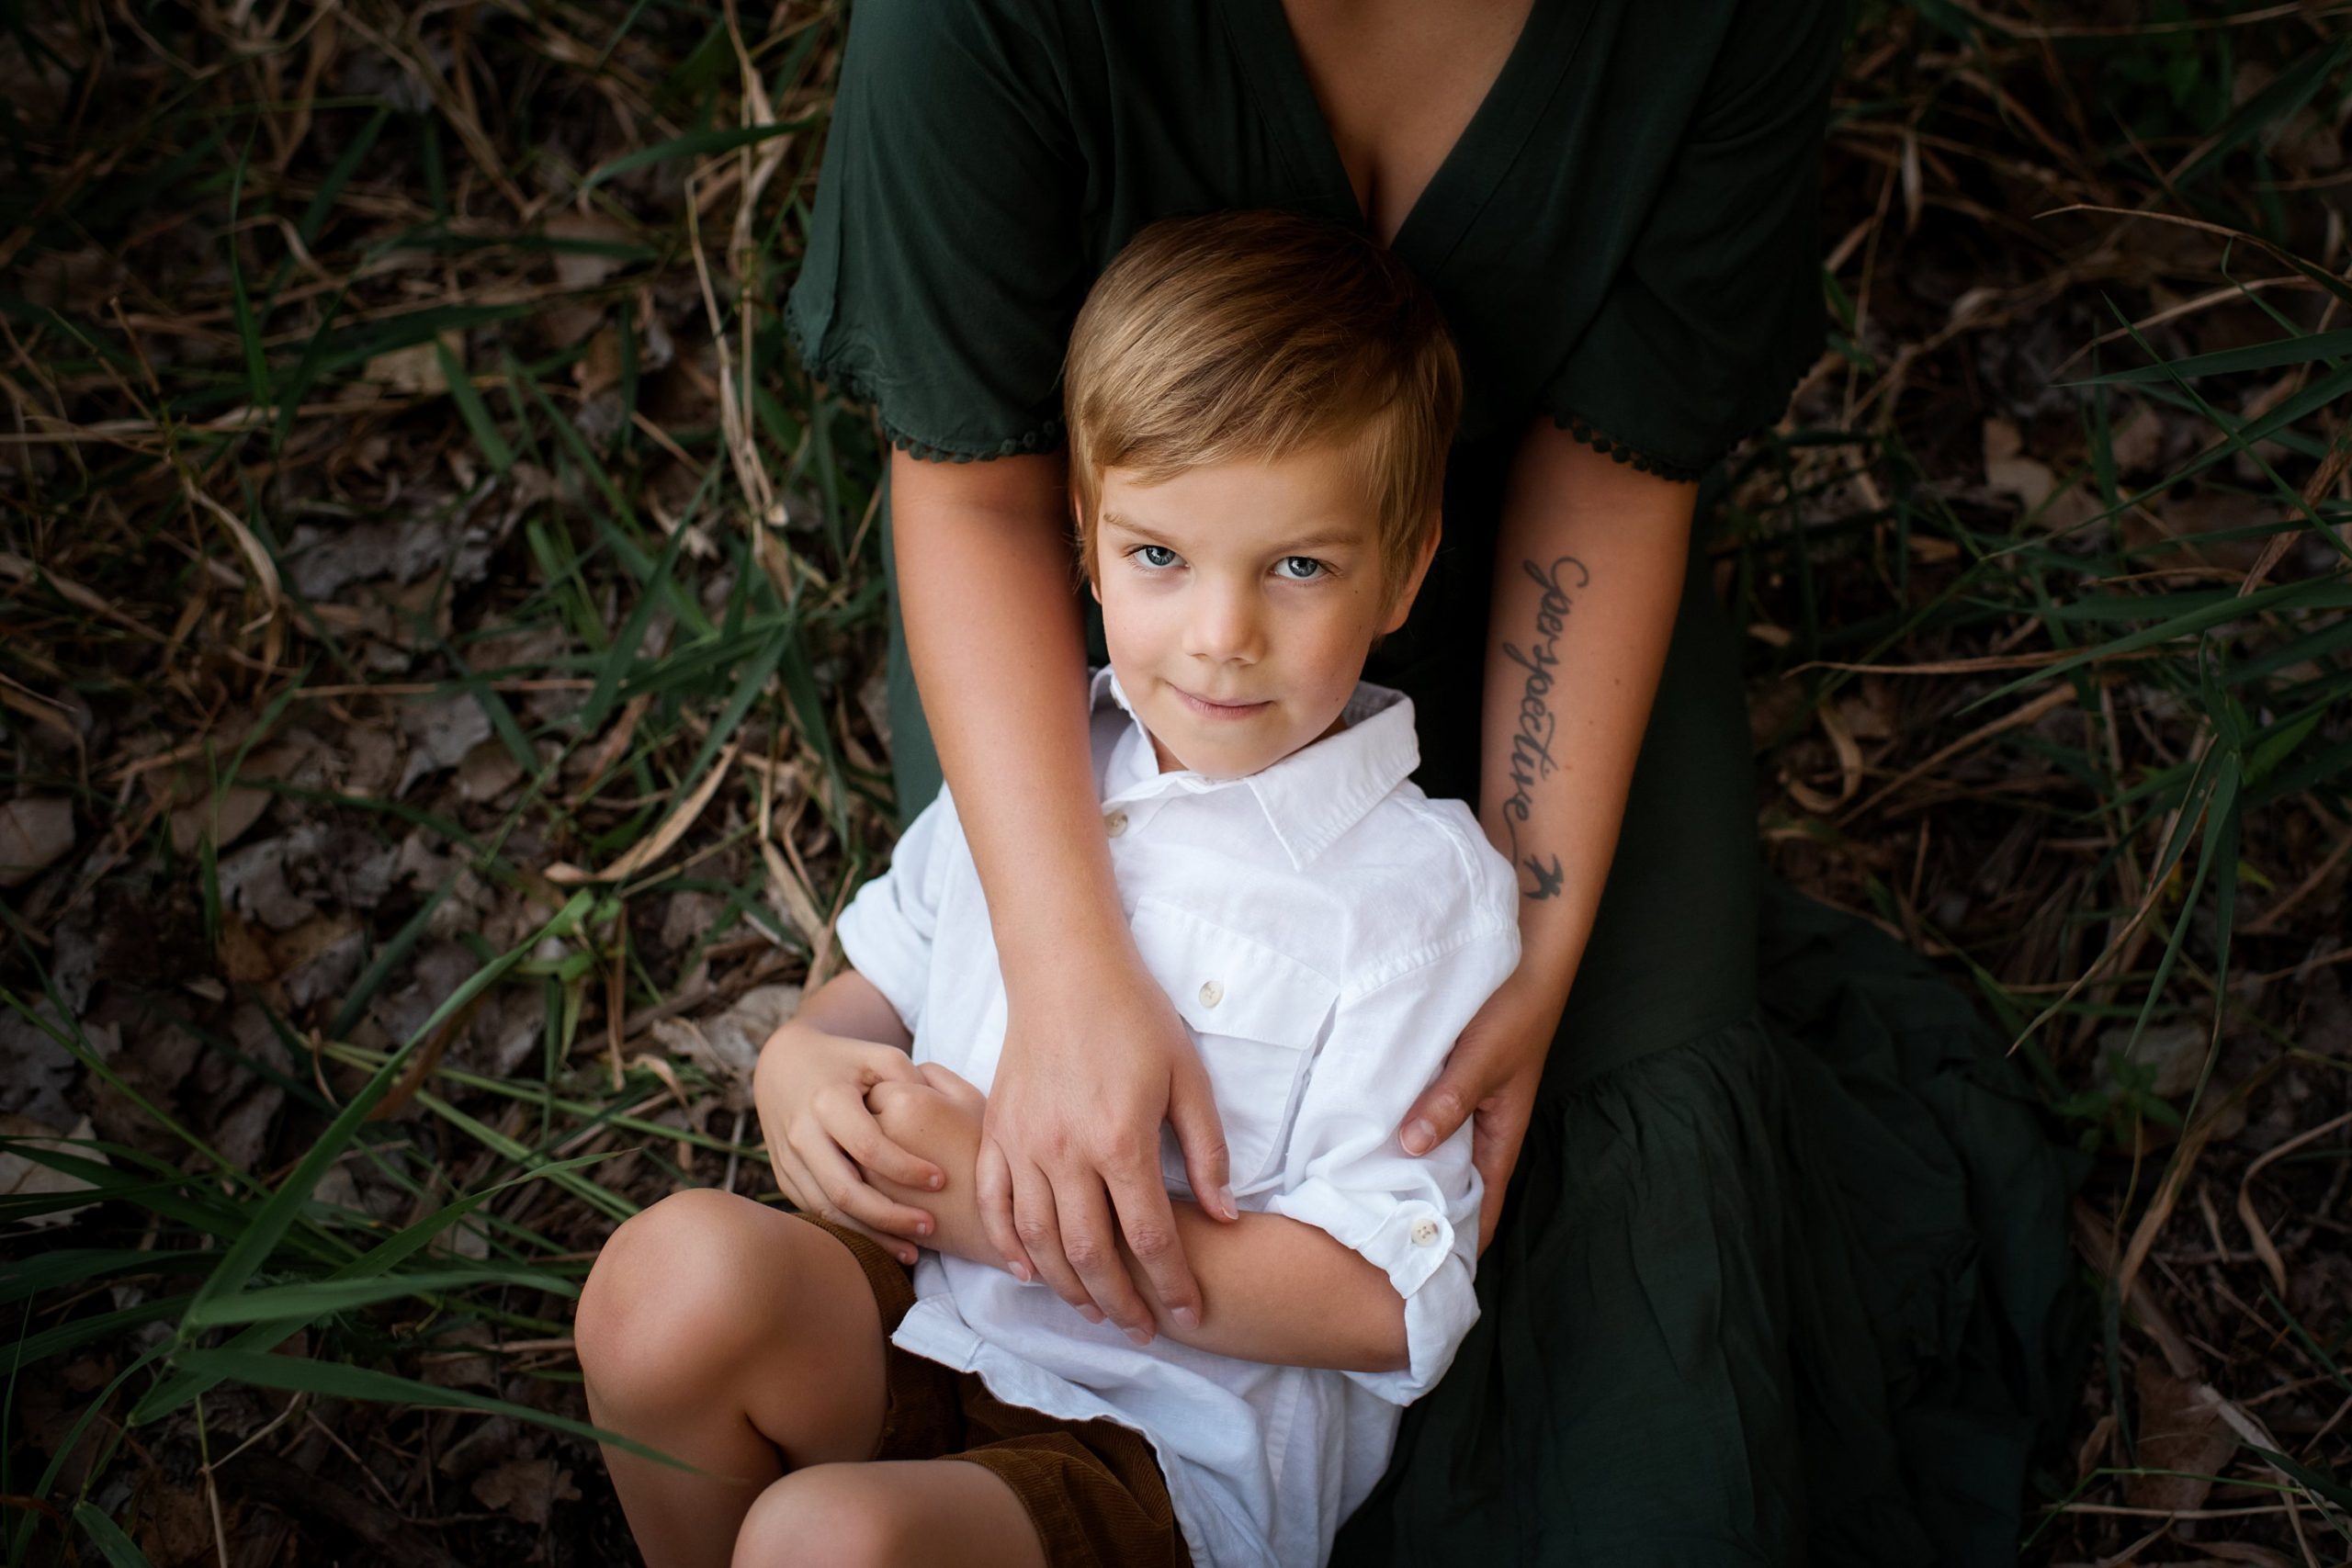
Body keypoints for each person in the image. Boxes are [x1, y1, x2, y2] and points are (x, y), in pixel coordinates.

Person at [772, 1, 2082, 1562]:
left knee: (1627, 1325)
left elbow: (1620, 465)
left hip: (1547, 618)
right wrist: (1061, 971)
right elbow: (980, 492)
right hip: (1097, 659)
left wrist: (1530, 930)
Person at [579, 209, 1520, 1567]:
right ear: (1083, 541)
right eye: (1159, 556)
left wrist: (988, 1205)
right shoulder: (1042, 763)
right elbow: (872, 996)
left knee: (829, 1541)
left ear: (1407, 568)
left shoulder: (1418, 892)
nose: (1220, 636)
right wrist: (799, 1062)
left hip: (1155, 1450)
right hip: (907, 1313)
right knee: (664, 1283)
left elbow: (1383, 1300)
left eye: (1298, 567)